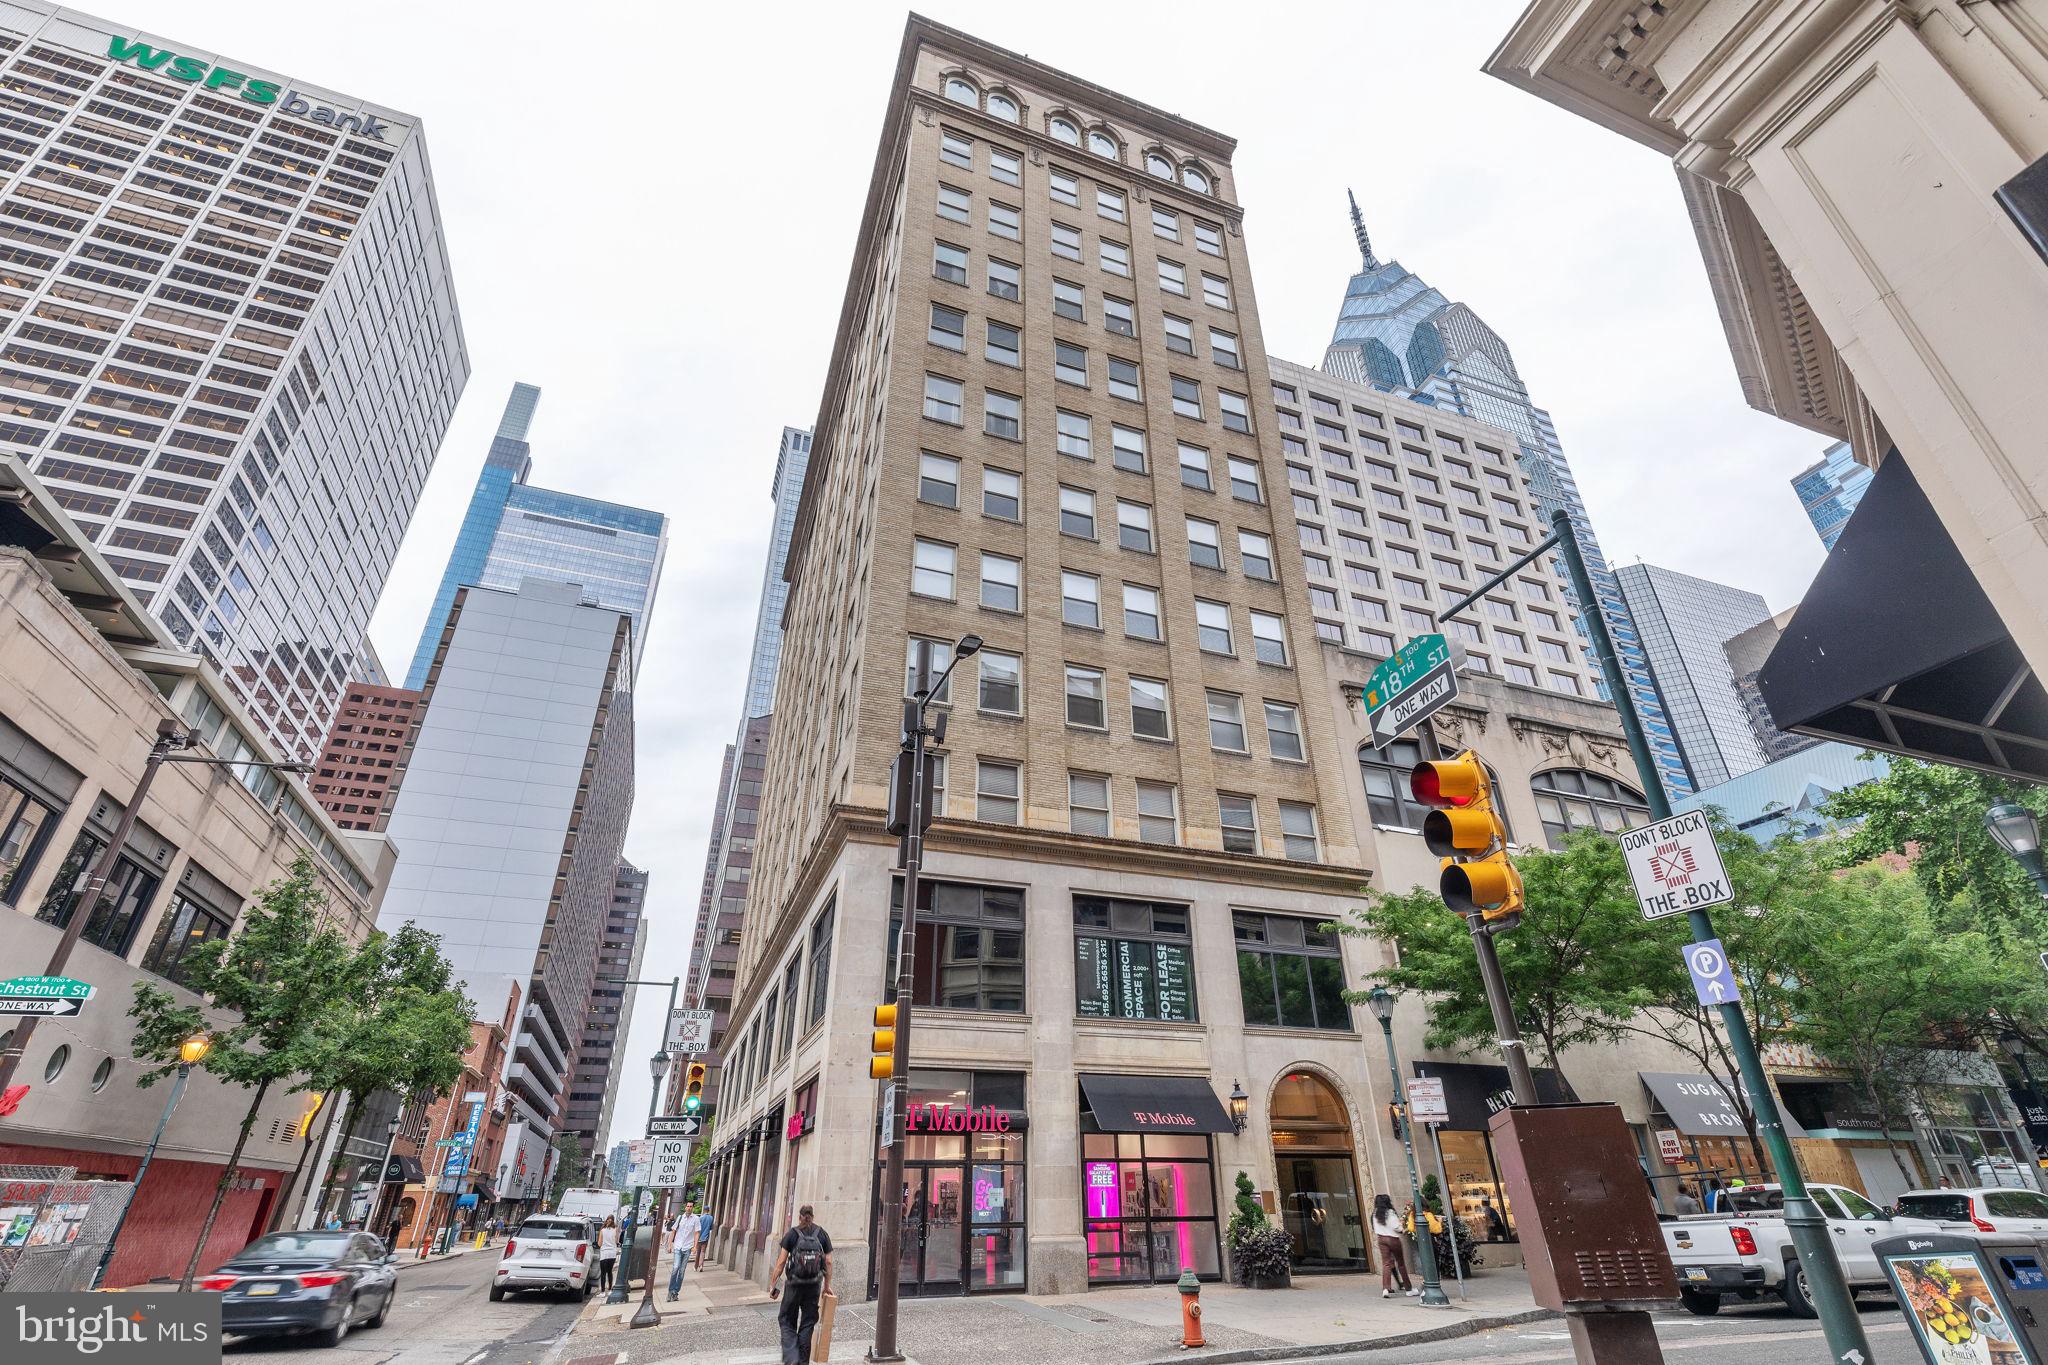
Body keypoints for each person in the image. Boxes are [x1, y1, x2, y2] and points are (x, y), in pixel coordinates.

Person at [767, 1204, 833, 1365]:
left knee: (786, 1319)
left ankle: (792, 1358)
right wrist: (826, 1286)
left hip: (794, 1285)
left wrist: (773, 1285)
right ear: (813, 1216)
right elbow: (828, 1262)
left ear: (799, 1217)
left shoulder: (792, 1234)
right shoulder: (821, 1234)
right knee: (808, 1323)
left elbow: (781, 1262)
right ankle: (803, 1362)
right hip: (814, 1286)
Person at [1371, 1193, 1416, 1299]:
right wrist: (1403, 1229)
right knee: (1401, 1264)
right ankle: (1408, 1289)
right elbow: (1397, 1227)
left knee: (1386, 1264)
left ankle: (1386, 1288)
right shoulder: (1390, 1213)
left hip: (1381, 1239)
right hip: (1393, 1239)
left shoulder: (1375, 1213)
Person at [668, 1203, 699, 1301]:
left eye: (691, 1206)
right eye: (687, 1206)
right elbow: (673, 1231)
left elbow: (697, 1233)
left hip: (687, 1247)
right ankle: (670, 1291)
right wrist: (669, 1244)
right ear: (685, 1207)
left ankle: (675, 1292)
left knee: (681, 1271)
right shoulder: (680, 1218)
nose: (689, 1208)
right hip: (678, 1246)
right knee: (676, 1267)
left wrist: (695, 1246)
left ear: (692, 1208)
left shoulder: (696, 1219)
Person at [597, 1215, 620, 1293]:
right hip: (612, 1253)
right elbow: (616, 1241)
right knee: (610, 1272)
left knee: (603, 1273)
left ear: (606, 1220)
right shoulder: (615, 1229)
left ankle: (603, 1292)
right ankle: (610, 1290)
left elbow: (599, 1244)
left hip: (604, 1253)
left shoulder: (602, 1230)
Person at [695, 1205, 714, 1270]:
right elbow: (711, 1228)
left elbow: (697, 1228)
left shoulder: (700, 1218)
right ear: (708, 1210)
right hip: (706, 1237)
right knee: (703, 1252)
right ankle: (701, 1266)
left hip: (699, 1237)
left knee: (698, 1252)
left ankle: (695, 1267)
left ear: (704, 1210)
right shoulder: (711, 1218)